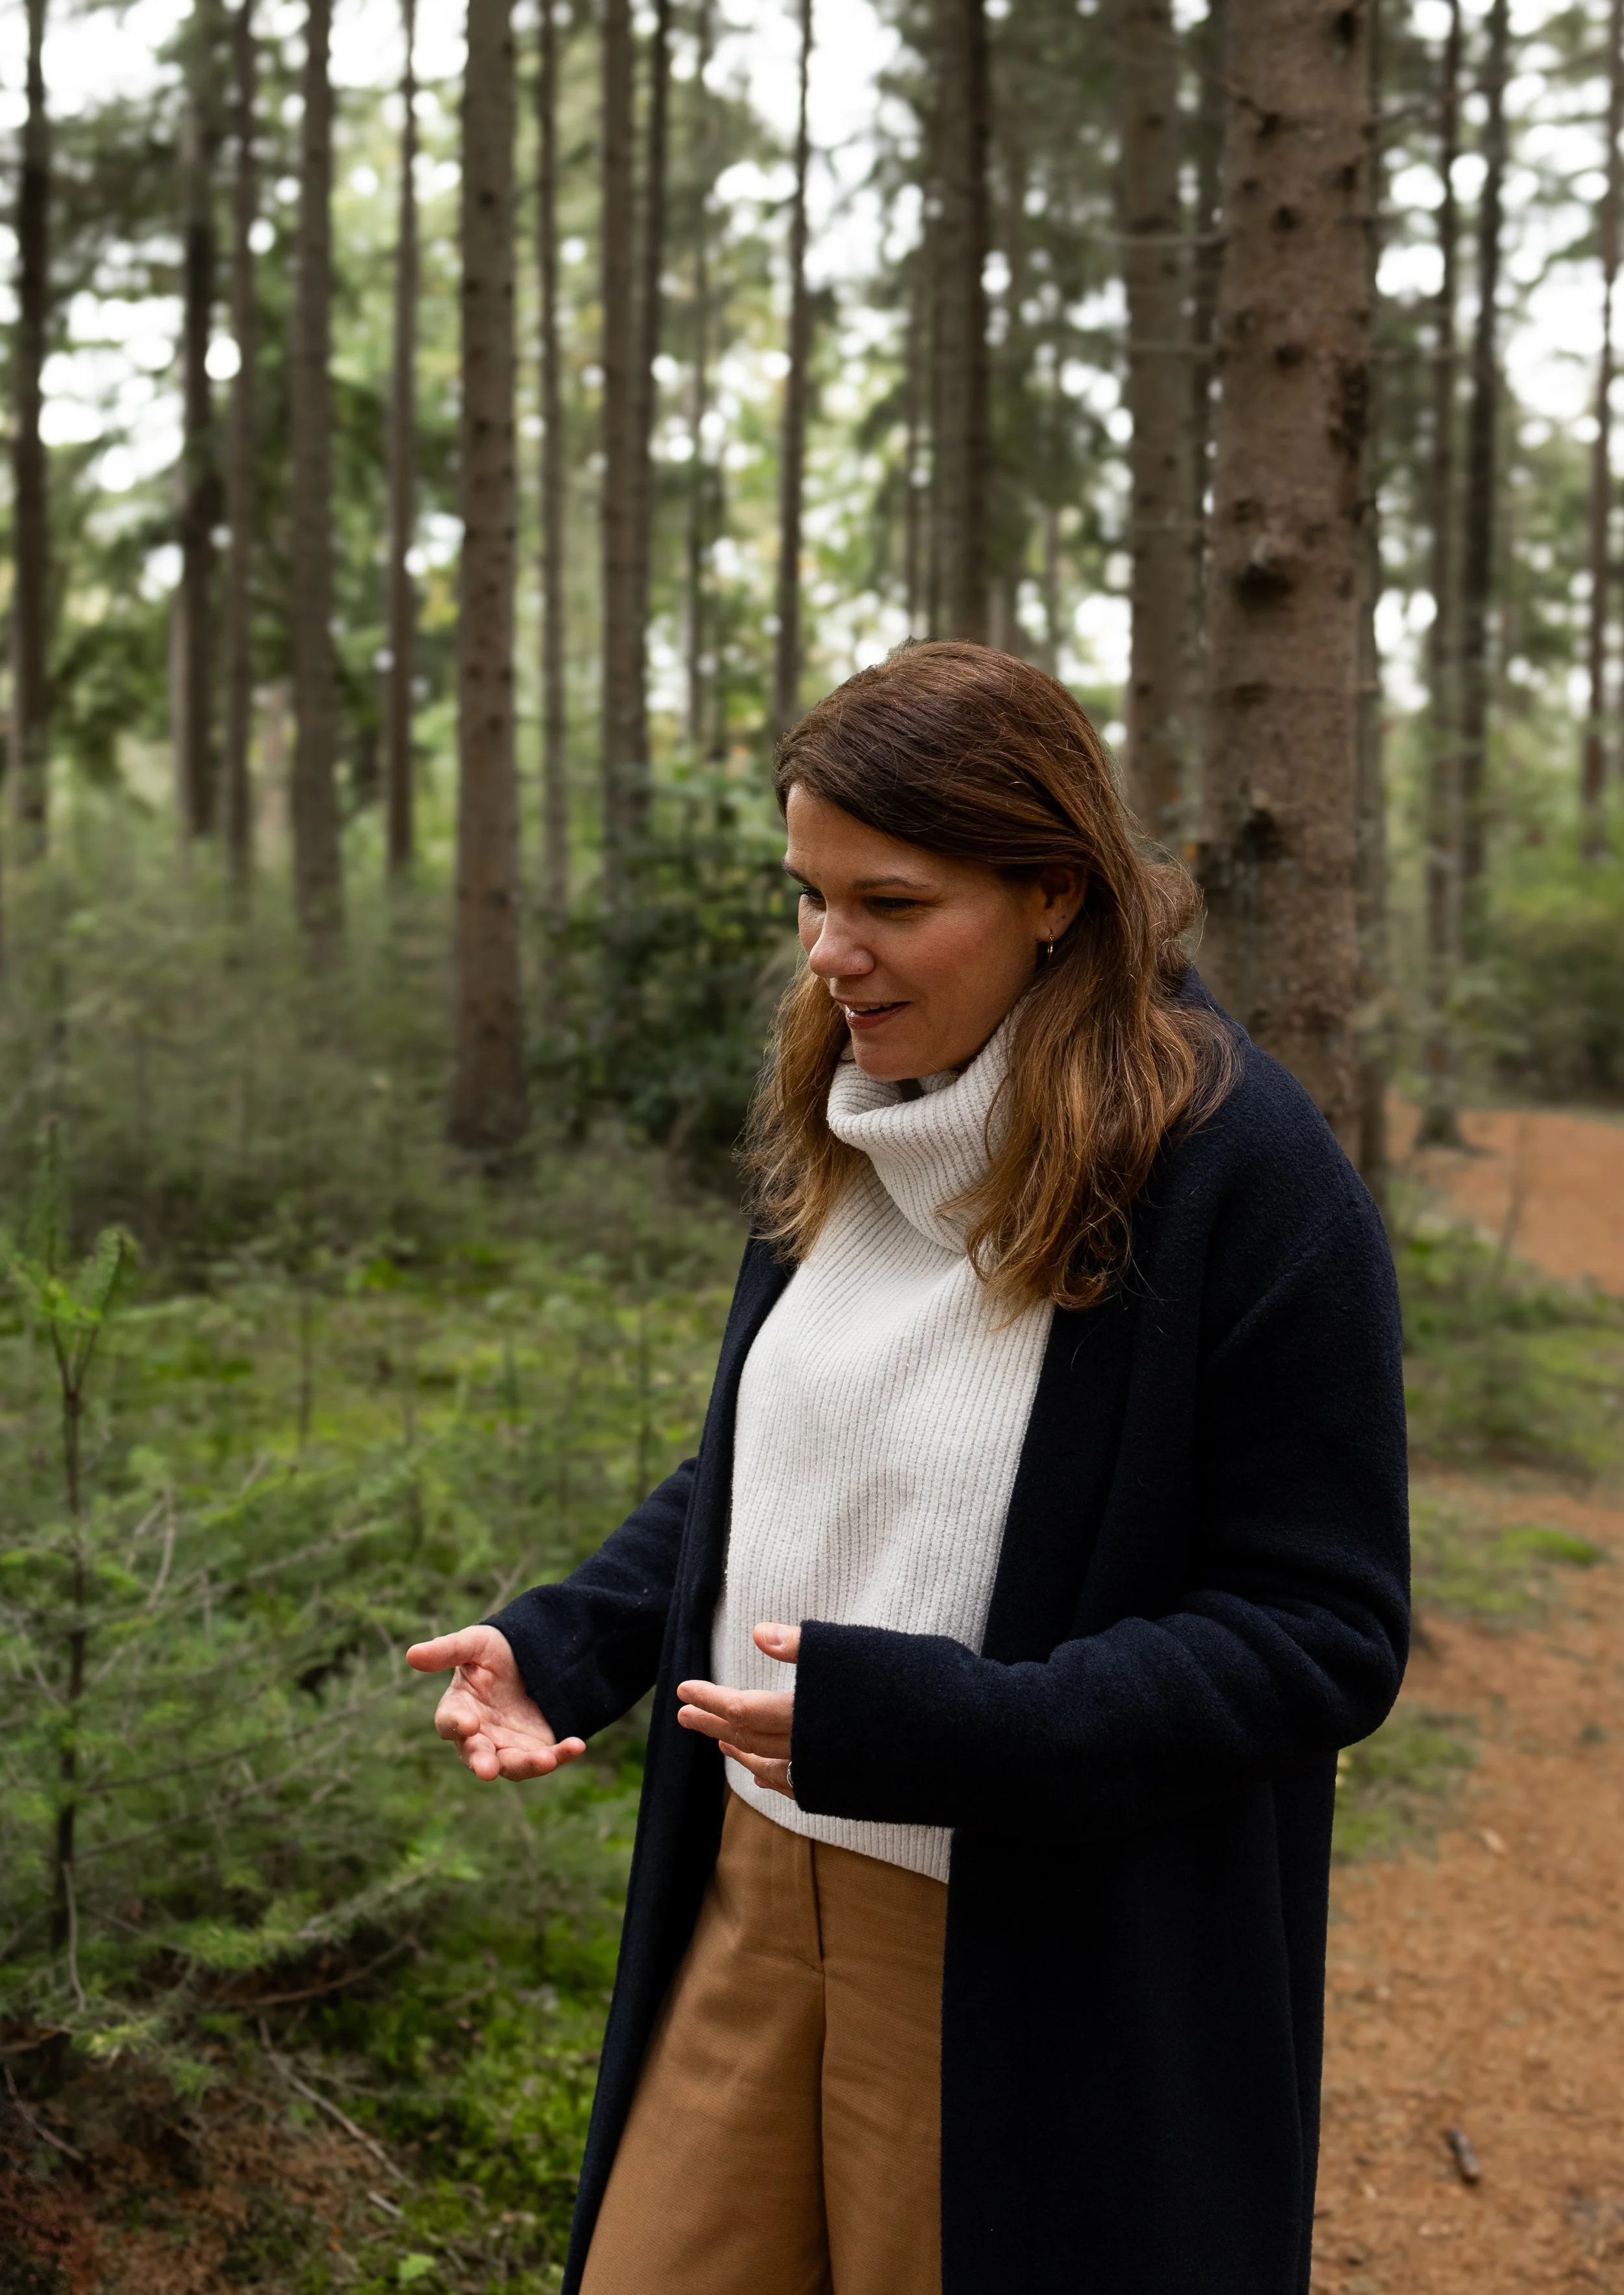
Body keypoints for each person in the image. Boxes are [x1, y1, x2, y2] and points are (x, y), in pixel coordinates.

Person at [408, 642, 1409, 2295]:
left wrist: (940, 1731)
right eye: (805, 894)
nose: (829, 953)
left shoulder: (1241, 1177)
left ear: (1055, 894)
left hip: (1028, 1957)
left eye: (887, 901)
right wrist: (570, 1637)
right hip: (745, 1898)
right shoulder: (851, 1113)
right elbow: (768, 1474)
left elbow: (1319, 1632)